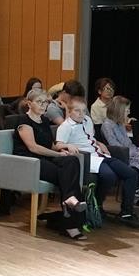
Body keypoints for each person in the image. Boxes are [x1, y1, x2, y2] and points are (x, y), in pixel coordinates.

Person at [55, 98, 139, 228]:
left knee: (131, 173)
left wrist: (100, 143)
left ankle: (126, 212)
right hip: (88, 158)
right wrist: (67, 145)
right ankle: (98, 204)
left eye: (83, 111)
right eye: (77, 111)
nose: (81, 114)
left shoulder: (87, 120)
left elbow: (91, 138)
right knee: (109, 175)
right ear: (70, 111)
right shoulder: (65, 127)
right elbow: (58, 145)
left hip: (100, 154)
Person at [14, 89, 88, 240]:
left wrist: (64, 148)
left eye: (45, 102)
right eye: (39, 102)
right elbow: (33, 147)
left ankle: (69, 201)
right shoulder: (23, 121)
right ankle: (70, 224)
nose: (43, 105)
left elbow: (50, 145)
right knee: (66, 175)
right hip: (29, 161)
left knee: (72, 160)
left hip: (45, 158)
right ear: (29, 103)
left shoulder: (44, 120)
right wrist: (58, 154)